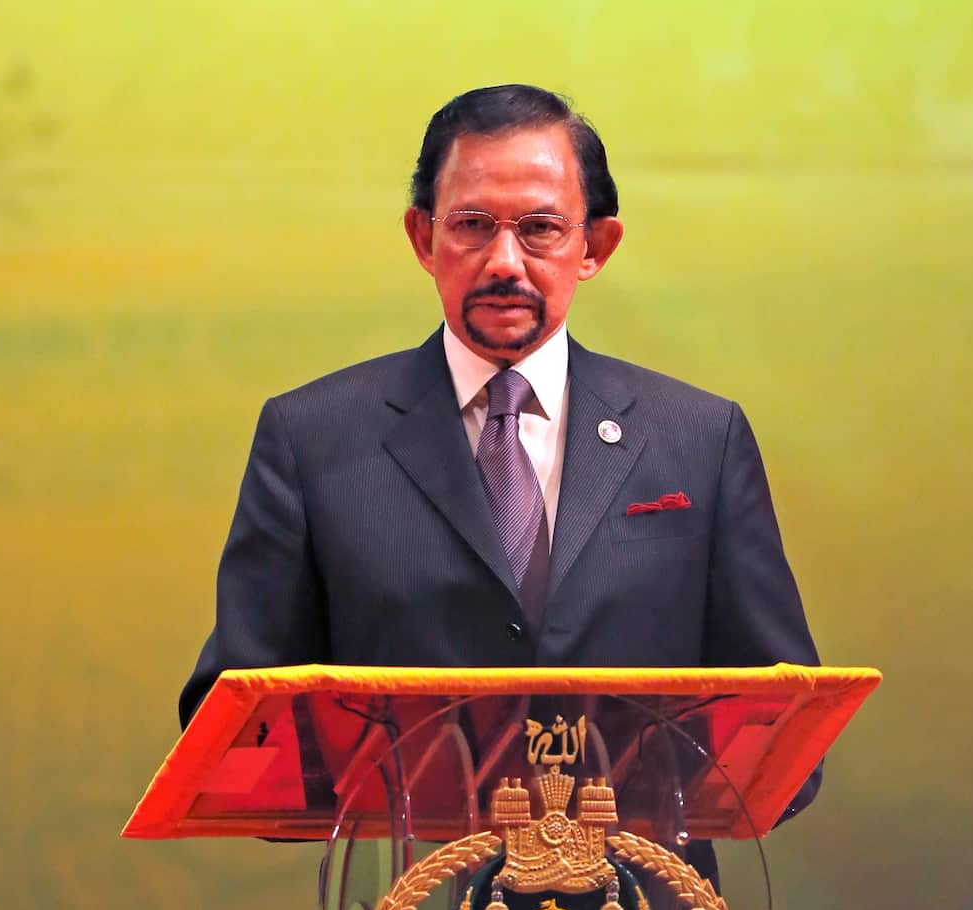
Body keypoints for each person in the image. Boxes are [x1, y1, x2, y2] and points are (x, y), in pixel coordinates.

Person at [178, 84, 822, 824]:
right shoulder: (313, 439)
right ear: (423, 239)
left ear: (595, 246)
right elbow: (235, 723)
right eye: (472, 225)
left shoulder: (698, 440)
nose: (503, 262)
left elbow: (787, 729)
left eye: (541, 228)